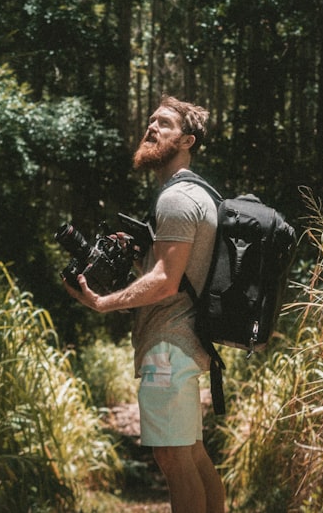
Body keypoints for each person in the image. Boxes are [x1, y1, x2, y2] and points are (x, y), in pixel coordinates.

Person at [64, 96, 225, 513]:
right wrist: (139, 253)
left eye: (165, 123)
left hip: (168, 346)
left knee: (173, 458)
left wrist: (102, 302)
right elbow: (176, 271)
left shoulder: (176, 199)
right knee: (191, 453)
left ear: (187, 140)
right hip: (184, 342)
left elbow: (165, 282)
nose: (151, 127)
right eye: (151, 120)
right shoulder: (195, 194)